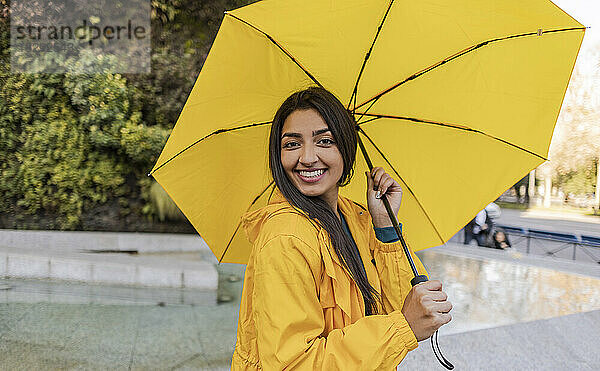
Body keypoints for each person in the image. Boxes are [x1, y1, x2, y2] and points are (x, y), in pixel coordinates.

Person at [231, 87, 452, 370]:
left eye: (325, 141)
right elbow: (294, 364)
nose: (307, 157)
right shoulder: (285, 238)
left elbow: (397, 306)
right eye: (291, 144)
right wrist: (401, 327)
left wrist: (385, 226)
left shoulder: (353, 215)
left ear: (346, 148)